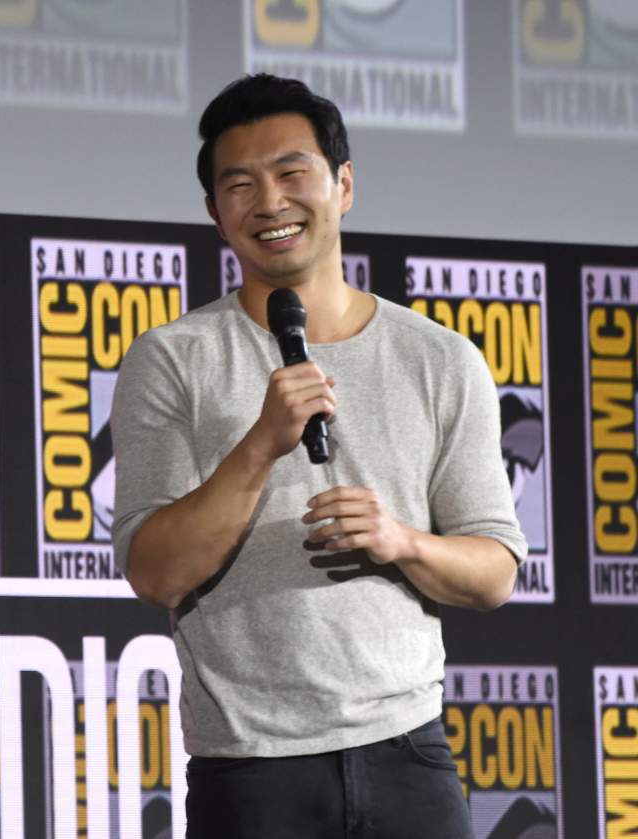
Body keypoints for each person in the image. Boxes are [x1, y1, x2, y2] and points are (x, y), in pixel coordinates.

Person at [111, 74, 526, 838]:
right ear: (215, 213)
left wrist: (400, 540)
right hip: (249, 768)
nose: (269, 202)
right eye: (240, 183)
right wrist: (261, 443)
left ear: (343, 184)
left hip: (409, 755)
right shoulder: (171, 359)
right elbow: (154, 568)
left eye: (292, 173)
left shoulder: (441, 359)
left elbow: (496, 567)